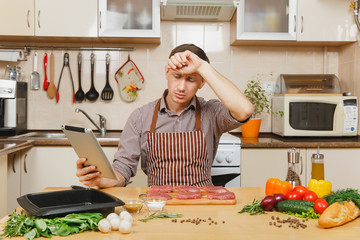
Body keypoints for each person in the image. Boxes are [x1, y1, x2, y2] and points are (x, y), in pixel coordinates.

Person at [76, 44, 253, 188]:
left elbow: (244, 110)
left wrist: (202, 67)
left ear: (202, 82)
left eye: (191, 79)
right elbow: (123, 168)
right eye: (177, 76)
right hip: (157, 207)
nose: (182, 87)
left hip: (202, 204)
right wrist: (103, 179)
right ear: (166, 72)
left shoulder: (211, 112)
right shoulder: (140, 117)